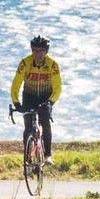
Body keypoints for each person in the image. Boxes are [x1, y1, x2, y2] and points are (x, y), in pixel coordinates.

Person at [10, 34, 61, 164]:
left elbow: (57, 88)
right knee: (28, 127)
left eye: (41, 51)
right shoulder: (25, 63)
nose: (37, 54)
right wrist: (16, 102)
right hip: (29, 97)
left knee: (45, 122)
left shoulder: (52, 65)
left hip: (45, 97)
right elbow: (15, 85)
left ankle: (48, 155)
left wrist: (50, 102)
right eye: (35, 51)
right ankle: (27, 159)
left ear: (46, 51)